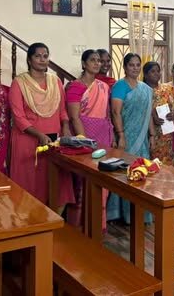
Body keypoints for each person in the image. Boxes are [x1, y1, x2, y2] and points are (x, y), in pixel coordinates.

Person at [9, 43, 72, 207]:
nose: (42, 60)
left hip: (53, 139)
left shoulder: (55, 81)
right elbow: (18, 117)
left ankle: (53, 217)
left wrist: (65, 127)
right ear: (29, 60)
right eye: (38, 56)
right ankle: (28, 217)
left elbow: (62, 110)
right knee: (29, 182)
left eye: (45, 56)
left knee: (53, 180)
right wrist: (39, 135)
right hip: (28, 141)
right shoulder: (19, 83)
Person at [66, 49, 113, 228]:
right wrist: (84, 141)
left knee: (103, 177)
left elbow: (107, 115)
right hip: (83, 135)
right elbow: (74, 117)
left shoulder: (104, 87)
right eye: (93, 60)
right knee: (82, 180)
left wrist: (111, 135)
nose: (97, 63)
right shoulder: (75, 86)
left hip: (102, 134)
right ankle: (79, 225)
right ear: (84, 64)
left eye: (99, 61)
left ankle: (98, 224)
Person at [107, 53, 154, 224]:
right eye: (131, 65)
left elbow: (148, 114)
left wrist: (152, 134)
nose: (135, 68)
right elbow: (115, 112)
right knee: (124, 173)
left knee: (142, 173)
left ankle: (142, 213)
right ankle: (123, 214)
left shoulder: (146, 89)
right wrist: (121, 135)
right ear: (125, 67)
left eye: (137, 65)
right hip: (126, 137)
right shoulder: (120, 86)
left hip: (142, 139)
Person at [149, 62, 174, 169]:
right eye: (153, 71)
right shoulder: (144, 90)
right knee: (154, 167)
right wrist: (152, 116)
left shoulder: (169, 88)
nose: (156, 74)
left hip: (172, 135)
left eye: (158, 71)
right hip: (152, 135)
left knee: (172, 168)